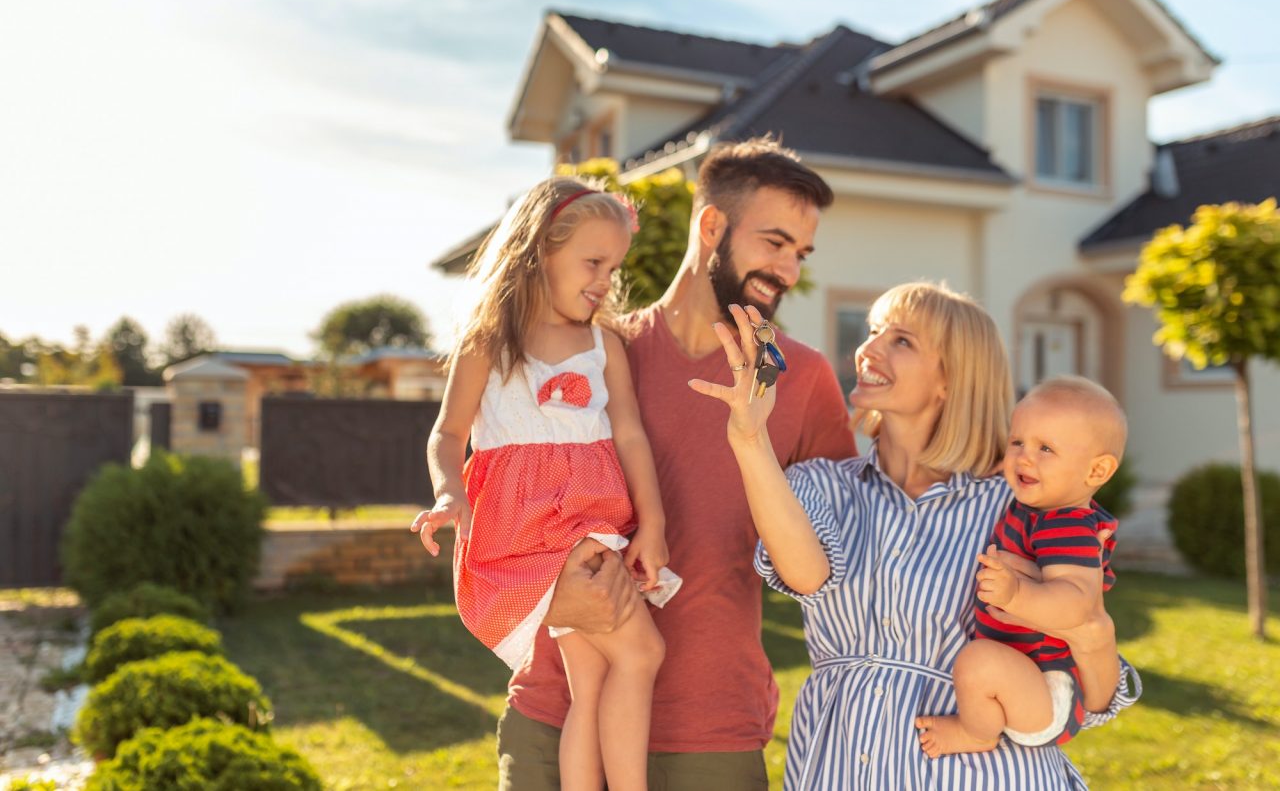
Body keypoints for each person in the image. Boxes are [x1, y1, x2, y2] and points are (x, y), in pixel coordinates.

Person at [492, 138, 857, 790]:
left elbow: (838, 563)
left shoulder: (801, 380)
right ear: (711, 225)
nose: (790, 270)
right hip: (557, 713)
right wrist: (544, 591)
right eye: (774, 243)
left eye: (800, 253)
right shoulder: (591, 353)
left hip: (708, 733)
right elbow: (496, 497)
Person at [690, 284, 1140, 789]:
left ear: (951, 378)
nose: (868, 348)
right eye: (873, 331)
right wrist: (750, 439)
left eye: (901, 340)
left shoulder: (1017, 502)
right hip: (841, 768)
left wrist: (1088, 631)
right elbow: (806, 574)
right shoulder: (820, 485)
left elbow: (1091, 682)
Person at [411, 177, 679, 791]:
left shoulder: (602, 343)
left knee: (592, 681)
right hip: (539, 530)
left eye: (613, 267)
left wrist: (654, 523)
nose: (604, 281)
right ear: (539, 253)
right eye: (593, 262)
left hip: (592, 520)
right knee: (643, 654)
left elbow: (630, 435)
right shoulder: (490, 340)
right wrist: (450, 492)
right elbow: (448, 435)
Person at [915, 376, 1125, 756]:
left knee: (978, 662)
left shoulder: (1068, 523)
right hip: (1026, 677)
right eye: (1017, 442)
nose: (1024, 457)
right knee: (981, 662)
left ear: (1096, 472)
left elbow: (1077, 601)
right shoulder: (1037, 509)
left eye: (1045, 448)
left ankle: (977, 735)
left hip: (1047, 684)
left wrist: (1016, 593)